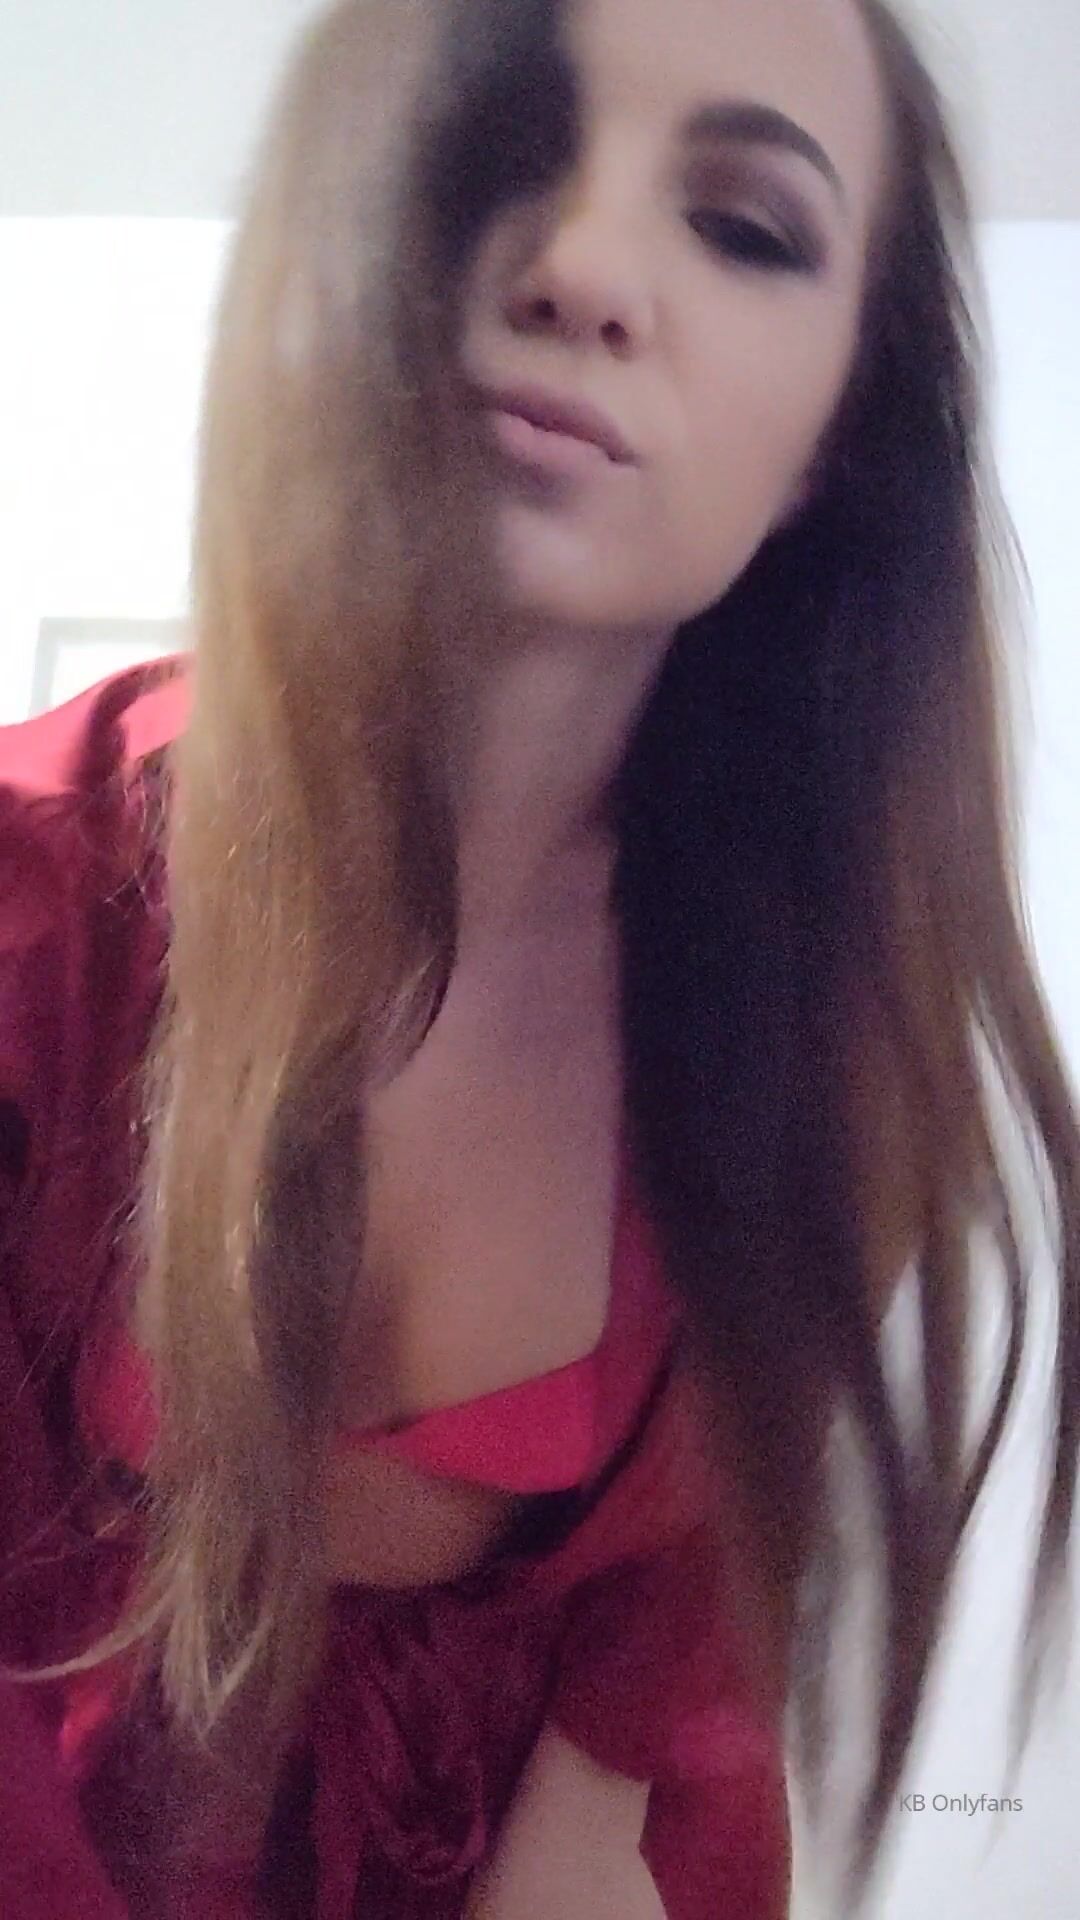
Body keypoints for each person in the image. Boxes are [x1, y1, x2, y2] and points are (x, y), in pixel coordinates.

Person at [1, 0, 1077, 1914]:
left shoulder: (818, 1029)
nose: (583, 268)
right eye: (492, 148)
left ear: (834, 440)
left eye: (742, 226)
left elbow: (649, 1703)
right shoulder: (30, 916)